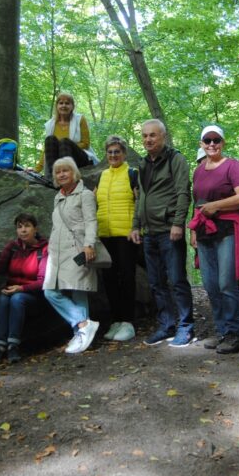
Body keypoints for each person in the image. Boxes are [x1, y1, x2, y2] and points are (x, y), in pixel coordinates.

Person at [130, 119, 194, 347]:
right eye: (145, 136)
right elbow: (142, 197)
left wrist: (178, 223)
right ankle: (166, 326)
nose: (148, 139)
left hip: (169, 231)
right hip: (149, 233)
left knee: (177, 280)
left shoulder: (176, 159)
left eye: (153, 135)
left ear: (163, 136)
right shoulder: (143, 163)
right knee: (156, 283)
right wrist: (136, 225)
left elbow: (183, 193)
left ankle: (186, 327)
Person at [188, 126, 239, 354]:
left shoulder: (232, 166)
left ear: (222, 142)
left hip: (228, 228)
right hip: (205, 231)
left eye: (216, 140)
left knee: (226, 282)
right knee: (210, 284)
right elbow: (198, 203)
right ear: (202, 143)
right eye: (207, 140)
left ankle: (234, 334)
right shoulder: (198, 171)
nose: (212, 144)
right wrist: (193, 230)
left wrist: (216, 206)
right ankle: (222, 330)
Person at [0, 212, 49, 364]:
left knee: (17, 299)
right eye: (19, 227)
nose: (23, 230)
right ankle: (0, 346)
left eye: (27, 226)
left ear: (35, 229)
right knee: (3, 299)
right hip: (12, 292)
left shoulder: (44, 249)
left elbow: (43, 282)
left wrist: (21, 289)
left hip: (34, 296)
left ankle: (13, 346)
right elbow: (0, 269)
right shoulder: (12, 247)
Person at [43, 157, 100, 354]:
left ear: (74, 173)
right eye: (58, 172)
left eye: (65, 170)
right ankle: (84, 325)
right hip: (57, 254)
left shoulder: (85, 195)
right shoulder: (57, 197)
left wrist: (89, 244)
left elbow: (91, 221)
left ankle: (81, 334)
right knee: (50, 291)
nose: (61, 174)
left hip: (78, 250)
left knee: (78, 290)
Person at [94, 136, 139, 339]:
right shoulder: (102, 176)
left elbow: (140, 202)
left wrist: (137, 228)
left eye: (117, 151)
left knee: (127, 277)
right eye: (110, 152)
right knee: (109, 279)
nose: (113, 155)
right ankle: (115, 321)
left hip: (126, 234)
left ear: (124, 153)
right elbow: (92, 200)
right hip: (105, 234)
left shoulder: (132, 174)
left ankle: (128, 322)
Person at [35, 92, 96, 176]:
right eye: (61, 103)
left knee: (64, 142)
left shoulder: (80, 119)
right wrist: (37, 169)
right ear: (57, 106)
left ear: (72, 106)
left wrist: (64, 145)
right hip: (58, 159)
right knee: (50, 140)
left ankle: (68, 177)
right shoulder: (50, 124)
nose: (64, 106)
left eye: (67, 103)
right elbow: (47, 150)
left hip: (80, 159)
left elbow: (86, 144)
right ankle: (54, 176)